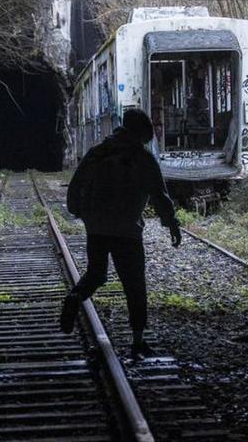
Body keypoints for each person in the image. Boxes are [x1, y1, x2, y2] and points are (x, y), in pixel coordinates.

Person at [61, 108, 182, 358]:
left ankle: (74, 298)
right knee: (134, 284)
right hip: (127, 230)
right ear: (141, 132)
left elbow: (76, 185)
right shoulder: (143, 158)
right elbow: (160, 196)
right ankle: (138, 341)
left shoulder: (98, 152)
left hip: (97, 226)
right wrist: (171, 224)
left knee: (96, 274)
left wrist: (79, 212)